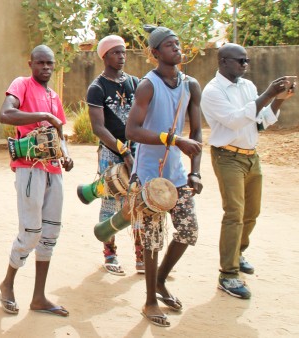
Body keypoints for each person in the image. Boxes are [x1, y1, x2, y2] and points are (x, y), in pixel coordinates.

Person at [201, 43, 295, 300]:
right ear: (223, 61)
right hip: (227, 156)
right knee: (234, 213)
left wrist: (278, 100)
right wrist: (267, 93)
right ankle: (227, 274)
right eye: (240, 60)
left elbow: (262, 121)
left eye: (247, 61)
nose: (245, 65)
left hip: (251, 156)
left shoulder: (248, 86)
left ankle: (238, 252)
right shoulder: (212, 91)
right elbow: (234, 120)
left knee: (252, 212)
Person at [125, 25, 203, 327]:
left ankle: (159, 281)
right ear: (155, 53)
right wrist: (173, 140)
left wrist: (196, 172)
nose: (177, 48)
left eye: (178, 44)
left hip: (178, 175)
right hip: (148, 177)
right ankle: (149, 302)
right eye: (169, 45)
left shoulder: (191, 84)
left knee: (187, 231)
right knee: (152, 240)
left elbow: (196, 132)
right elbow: (132, 131)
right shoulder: (148, 85)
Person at [0, 45, 74, 317]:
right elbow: (6, 115)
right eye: (40, 63)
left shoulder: (54, 96)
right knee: (31, 232)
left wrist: (66, 155)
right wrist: (42, 116)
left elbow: (60, 132)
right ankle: (7, 284)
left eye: (50, 63)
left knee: (50, 233)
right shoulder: (22, 85)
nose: (46, 68)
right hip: (29, 168)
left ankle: (39, 297)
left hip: (54, 171)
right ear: (30, 64)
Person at [86, 35, 143, 276]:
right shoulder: (97, 88)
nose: (122, 56)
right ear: (105, 56)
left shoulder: (135, 83)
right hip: (112, 153)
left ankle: (142, 255)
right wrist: (123, 151)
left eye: (123, 52)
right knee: (111, 201)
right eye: (116, 52)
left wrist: (136, 151)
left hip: (137, 151)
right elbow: (99, 128)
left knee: (141, 202)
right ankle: (110, 252)